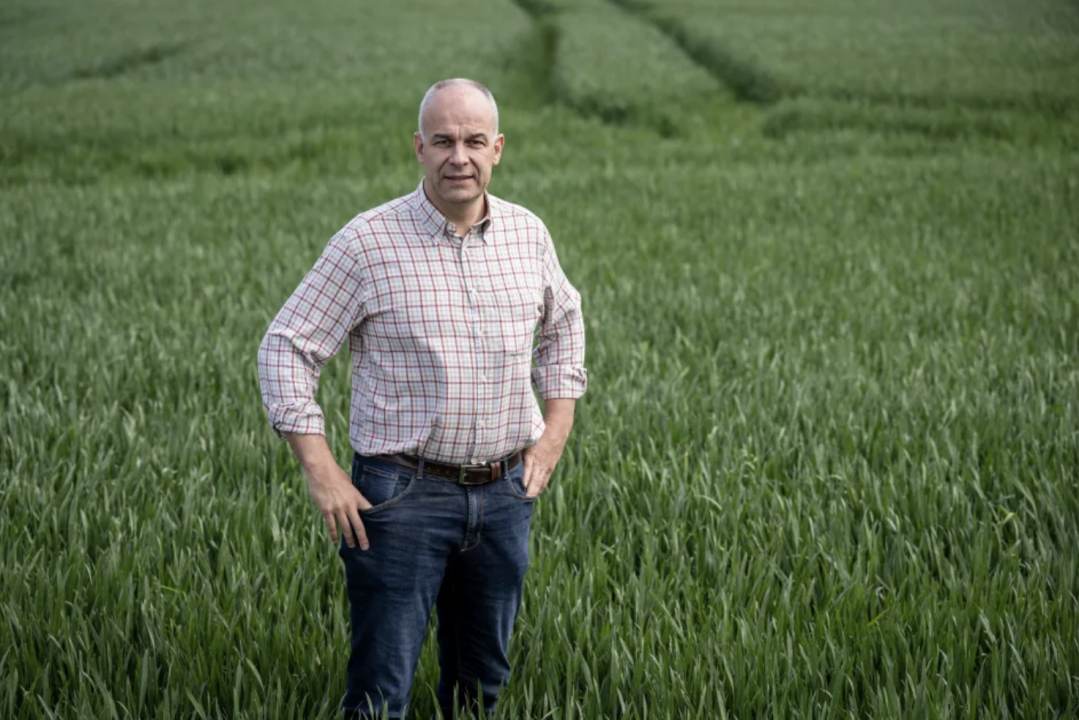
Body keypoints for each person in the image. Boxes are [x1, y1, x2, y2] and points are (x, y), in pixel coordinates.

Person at [256, 78, 588, 719]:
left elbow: (564, 324)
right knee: (382, 690)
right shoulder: (366, 243)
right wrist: (320, 470)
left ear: (498, 149)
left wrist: (556, 429)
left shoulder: (528, 234)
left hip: (504, 495)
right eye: (442, 141)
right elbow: (286, 349)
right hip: (399, 496)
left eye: (471, 141)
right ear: (418, 147)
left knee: (481, 686)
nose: (457, 156)